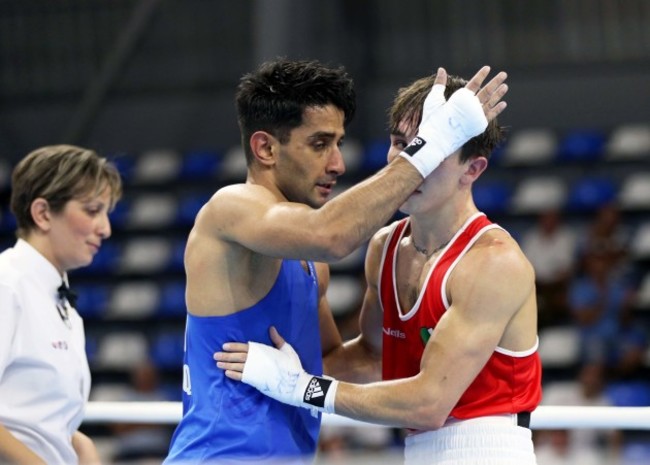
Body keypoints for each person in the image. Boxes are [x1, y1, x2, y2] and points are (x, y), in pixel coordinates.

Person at [164, 58, 509, 465]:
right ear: (266, 148)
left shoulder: (310, 260)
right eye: (319, 144)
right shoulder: (230, 210)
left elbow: (335, 364)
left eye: (338, 143)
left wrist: (450, 356)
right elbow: (332, 235)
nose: (337, 164)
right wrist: (432, 144)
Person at [0, 145, 122, 464]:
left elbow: (36, 416)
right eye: (93, 210)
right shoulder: (6, 285)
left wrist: (81, 446)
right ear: (42, 214)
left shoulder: (61, 303)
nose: (105, 228)